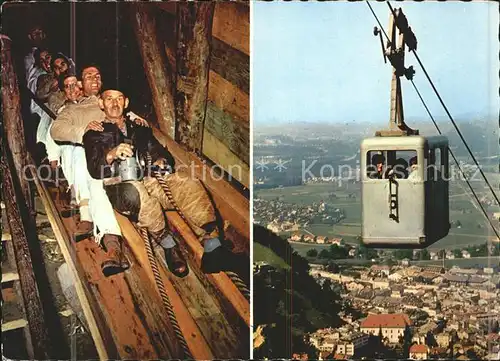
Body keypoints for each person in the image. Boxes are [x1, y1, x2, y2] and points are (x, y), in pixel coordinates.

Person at [83, 88, 248, 278]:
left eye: (119, 98)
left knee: (187, 181)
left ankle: (213, 248)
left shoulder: (139, 128)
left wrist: (161, 160)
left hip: (152, 179)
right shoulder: (94, 134)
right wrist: (111, 154)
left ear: (126, 103)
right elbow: (95, 170)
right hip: (121, 185)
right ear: (101, 104)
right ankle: (169, 244)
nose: (114, 103)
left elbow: (159, 152)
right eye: (109, 99)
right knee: (134, 192)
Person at [50, 65, 146, 276]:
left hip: (124, 157)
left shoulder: (111, 100)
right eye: (88, 76)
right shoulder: (73, 110)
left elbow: (133, 119)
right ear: (81, 85)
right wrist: (84, 131)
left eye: (98, 75)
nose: (94, 79)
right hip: (98, 159)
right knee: (94, 176)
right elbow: (56, 130)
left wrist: (139, 121)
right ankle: (111, 242)